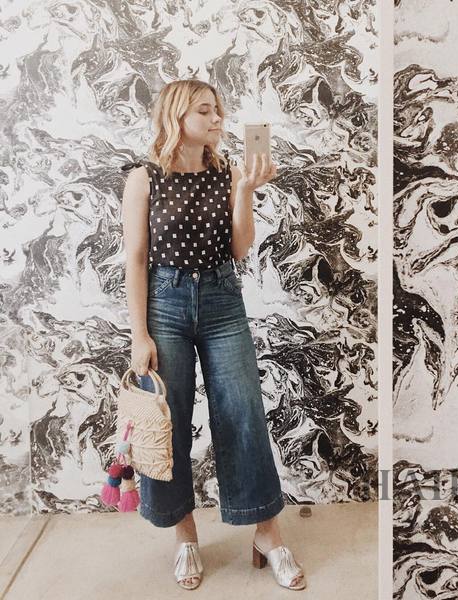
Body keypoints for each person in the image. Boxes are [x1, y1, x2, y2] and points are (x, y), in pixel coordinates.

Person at [120, 78, 306, 591]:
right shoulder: (144, 178)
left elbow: (240, 248)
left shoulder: (227, 172)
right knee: (171, 421)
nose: (217, 118)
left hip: (223, 299)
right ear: (176, 116)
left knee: (243, 411)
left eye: (218, 110)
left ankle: (267, 534)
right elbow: (135, 259)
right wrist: (140, 334)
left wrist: (244, 191)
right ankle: (185, 536)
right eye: (205, 110)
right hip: (165, 303)